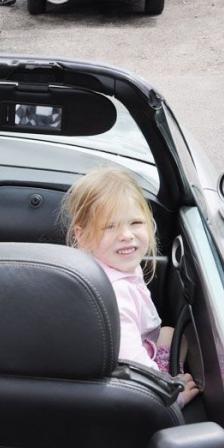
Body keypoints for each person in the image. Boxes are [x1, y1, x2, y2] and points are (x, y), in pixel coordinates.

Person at [65, 167, 200, 407]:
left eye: (135, 222)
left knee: (169, 334)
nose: (126, 235)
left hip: (121, 354)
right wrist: (171, 394)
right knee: (177, 340)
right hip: (129, 385)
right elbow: (132, 364)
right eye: (110, 227)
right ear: (82, 236)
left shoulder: (112, 264)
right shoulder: (116, 295)